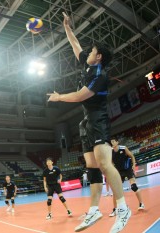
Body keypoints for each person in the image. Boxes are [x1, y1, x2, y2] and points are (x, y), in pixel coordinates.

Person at [47, 12, 131, 233]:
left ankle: (123, 208)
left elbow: (78, 97)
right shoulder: (87, 64)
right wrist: (67, 27)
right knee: (92, 167)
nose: (89, 52)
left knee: (104, 164)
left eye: (93, 51)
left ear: (99, 56)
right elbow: (75, 44)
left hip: (99, 120)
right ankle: (94, 209)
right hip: (86, 122)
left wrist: (58, 97)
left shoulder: (100, 76)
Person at [109, 138, 144, 217]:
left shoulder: (123, 148)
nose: (112, 143)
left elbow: (131, 156)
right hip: (119, 171)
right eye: (111, 142)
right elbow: (110, 162)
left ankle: (141, 204)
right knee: (115, 191)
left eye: (113, 141)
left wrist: (134, 164)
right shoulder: (110, 151)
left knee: (134, 187)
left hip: (127, 169)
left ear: (117, 142)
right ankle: (115, 210)